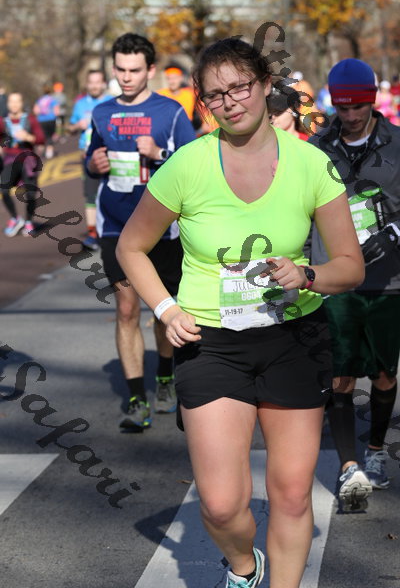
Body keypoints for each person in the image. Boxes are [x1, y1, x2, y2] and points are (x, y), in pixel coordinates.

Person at [116, 38, 364, 588]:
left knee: (292, 493)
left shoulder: (311, 163)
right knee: (222, 505)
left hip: (294, 338)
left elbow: (350, 266)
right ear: (203, 102)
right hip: (211, 343)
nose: (230, 102)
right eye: (215, 95)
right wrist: (165, 308)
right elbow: (131, 247)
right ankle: (244, 568)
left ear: (264, 85)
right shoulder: (187, 165)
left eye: (240, 87)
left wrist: (308, 275)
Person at [86, 33, 196, 431]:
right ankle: (136, 399)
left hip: (161, 228)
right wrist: (93, 164)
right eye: (120, 69)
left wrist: (159, 154)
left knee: (164, 310)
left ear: (150, 70)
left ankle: (165, 376)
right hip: (116, 226)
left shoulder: (170, 112)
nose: (126, 77)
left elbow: (193, 164)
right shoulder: (101, 112)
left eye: (134, 70)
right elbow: (91, 158)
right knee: (127, 308)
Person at [309, 58, 400, 512]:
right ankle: (349, 466)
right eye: (342, 108)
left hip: (387, 281)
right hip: (335, 278)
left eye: (358, 107)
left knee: (384, 374)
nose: (349, 116)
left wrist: (394, 232)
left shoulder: (397, 144)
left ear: (373, 101)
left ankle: (376, 449)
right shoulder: (316, 147)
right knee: (340, 376)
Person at [68, 70, 112, 250]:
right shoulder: (80, 104)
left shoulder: (112, 102)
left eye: (97, 82)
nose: (94, 86)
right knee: (91, 194)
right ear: (87, 84)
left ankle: (112, 230)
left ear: (103, 84)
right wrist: (77, 126)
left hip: (110, 154)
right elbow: (69, 128)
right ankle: (93, 233)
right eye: (91, 82)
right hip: (87, 155)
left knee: (112, 191)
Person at [0, 92, 45, 236]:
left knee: (31, 193)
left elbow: (40, 138)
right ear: (7, 104)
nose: (14, 104)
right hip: (10, 159)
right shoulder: (3, 121)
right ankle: (15, 218)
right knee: (3, 188)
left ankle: (28, 221)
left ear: (21, 103)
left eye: (17, 101)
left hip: (27, 159)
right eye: (11, 101)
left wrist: (28, 137)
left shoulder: (30, 119)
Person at [33, 85, 59, 159]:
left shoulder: (40, 100)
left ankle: (40, 150)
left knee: (43, 135)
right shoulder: (52, 100)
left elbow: (35, 110)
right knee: (50, 135)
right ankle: (49, 152)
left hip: (41, 120)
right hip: (51, 119)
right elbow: (56, 111)